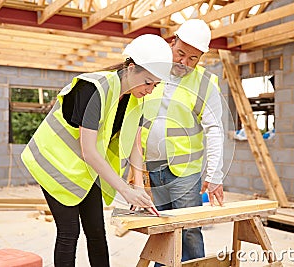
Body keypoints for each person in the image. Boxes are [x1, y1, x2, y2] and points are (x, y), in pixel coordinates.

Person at [21, 34, 173, 267]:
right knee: (69, 233)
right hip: (55, 164)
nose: (151, 90)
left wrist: (139, 190)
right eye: (148, 82)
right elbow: (89, 151)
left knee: (96, 233)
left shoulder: (134, 99)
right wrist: (124, 190)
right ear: (131, 68)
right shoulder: (94, 89)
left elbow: (134, 144)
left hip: (85, 170)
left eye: (156, 85)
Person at [140, 19, 225, 264]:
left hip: (185, 172)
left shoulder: (205, 83)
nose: (184, 63)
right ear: (172, 42)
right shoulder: (151, 70)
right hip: (152, 167)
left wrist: (215, 173)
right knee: (161, 231)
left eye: (193, 59)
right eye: (180, 54)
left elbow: (214, 130)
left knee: (189, 231)